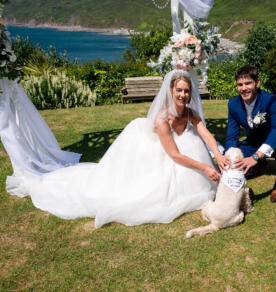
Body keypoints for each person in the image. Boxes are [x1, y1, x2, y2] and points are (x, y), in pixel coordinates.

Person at [5, 69, 229, 228]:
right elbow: (174, 154)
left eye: (187, 91)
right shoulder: (162, 119)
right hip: (158, 148)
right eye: (179, 90)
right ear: (171, 91)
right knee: (139, 191)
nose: (183, 95)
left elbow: (205, 133)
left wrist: (217, 155)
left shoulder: (190, 112)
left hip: (177, 147)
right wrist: (203, 167)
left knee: (194, 144)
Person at [225, 66, 276, 203]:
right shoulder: (233, 104)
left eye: (248, 83)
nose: (244, 88)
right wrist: (230, 158)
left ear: (257, 83)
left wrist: (256, 156)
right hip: (253, 141)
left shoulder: (271, 100)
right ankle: (259, 165)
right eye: (240, 85)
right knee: (239, 164)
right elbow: (232, 136)